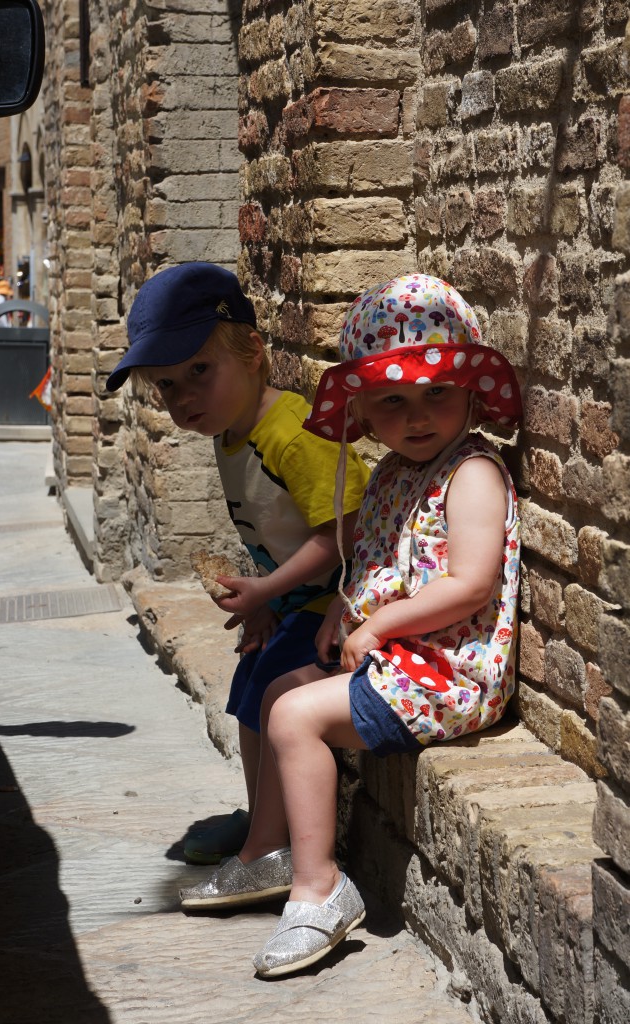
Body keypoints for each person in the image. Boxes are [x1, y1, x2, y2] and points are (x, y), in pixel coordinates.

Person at [179, 273, 522, 978]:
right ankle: (274, 850)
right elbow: (374, 556)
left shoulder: (473, 474)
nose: (417, 416)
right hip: (400, 657)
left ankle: (320, 889)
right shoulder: (398, 471)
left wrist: (380, 624)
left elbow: (471, 581)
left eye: (436, 395)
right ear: (363, 408)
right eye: (392, 401)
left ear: (471, 393)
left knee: (298, 716)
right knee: (280, 692)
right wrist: (343, 605)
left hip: (449, 671)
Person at [105, 262, 370, 865]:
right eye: (167, 385)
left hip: (342, 604)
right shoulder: (233, 434)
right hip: (297, 602)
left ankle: (269, 848)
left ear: (252, 350)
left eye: (199, 370)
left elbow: (346, 534)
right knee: (249, 687)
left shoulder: (293, 434)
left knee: (276, 696)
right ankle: (263, 820)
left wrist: (267, 591)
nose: (184, 397)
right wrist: (266, 607)